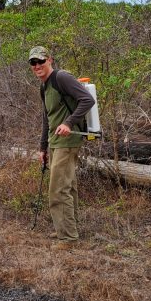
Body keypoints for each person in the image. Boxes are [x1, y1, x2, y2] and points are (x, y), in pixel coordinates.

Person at [29, 46, 94, 248]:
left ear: (50, 60)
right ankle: (67, 229)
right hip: (55, 142)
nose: (37, 65)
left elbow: (87, 100)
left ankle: (68, 238)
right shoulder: (44, 86)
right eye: (33, 63)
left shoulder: (61, 78)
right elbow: (47, 118)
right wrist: (43, 147)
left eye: (41, 61)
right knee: (68, 187)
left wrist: (68, 123)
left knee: (58, 190)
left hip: (68, 141)